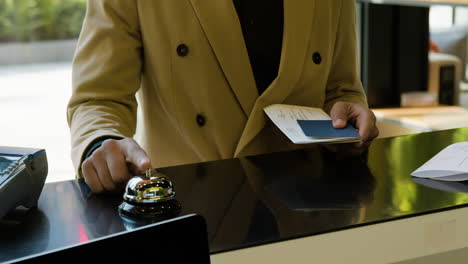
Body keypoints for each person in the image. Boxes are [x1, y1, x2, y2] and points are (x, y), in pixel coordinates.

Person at [68, 0, 379, 193]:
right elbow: (98, 97)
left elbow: (341, 88)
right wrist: (100, 142)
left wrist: (349, 117)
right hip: (194, 209)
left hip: (305, 211)